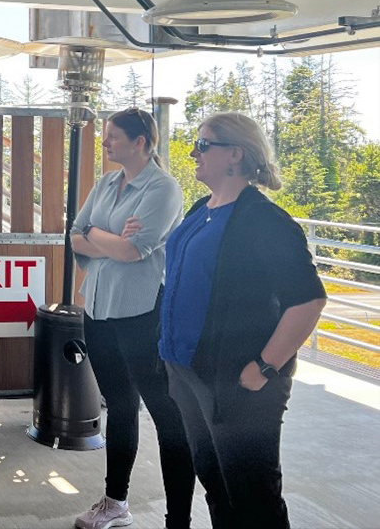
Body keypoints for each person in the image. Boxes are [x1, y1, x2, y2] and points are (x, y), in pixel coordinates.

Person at [160, 112, 325, 529]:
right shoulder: (203, 208)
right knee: (216, 481)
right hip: (189, 373)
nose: (193, 152)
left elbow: (307, 301)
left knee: (253, 496)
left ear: (235, 154)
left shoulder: (264, 221)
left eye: (203, 144)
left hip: (238, 380)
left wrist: (264, 368)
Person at [70, 107, 195, 529]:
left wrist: (95, 237)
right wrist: (105, 239)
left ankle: (178, 518)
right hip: (99, 309)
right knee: (120, 407)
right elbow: (73, 234)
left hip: (142, 313)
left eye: (113, 137)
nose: (104, 143)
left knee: (166, 413)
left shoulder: (163, 188)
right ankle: (114, 502)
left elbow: (133, 250)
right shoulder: (106, 183)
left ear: (141, 142)